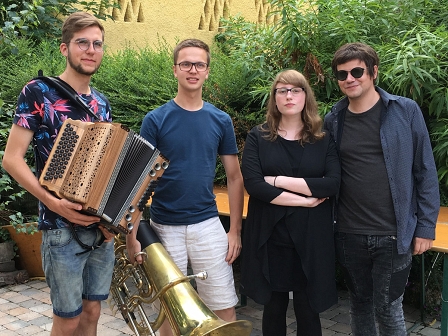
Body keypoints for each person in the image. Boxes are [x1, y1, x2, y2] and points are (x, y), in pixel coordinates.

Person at [2, 12, 116, 336]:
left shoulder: (102, 104)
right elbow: (12, 160)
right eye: (82, 43)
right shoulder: (38, 92)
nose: (91, 49)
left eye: (97, 44)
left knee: (93, 312)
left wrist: (112, 220)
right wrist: (52, 203)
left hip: (99, 229)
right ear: (65, 48)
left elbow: (105, 168)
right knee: (68, 320)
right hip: (60, 229)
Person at [126, 38, 244, 336]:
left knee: (224, 307)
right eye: (186, 64)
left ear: (207, 71)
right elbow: (141, 181)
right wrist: (132, 236)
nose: (193, 69)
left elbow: (234, 177)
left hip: (207, 224)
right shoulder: (155, 119)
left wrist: (235, 231)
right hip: (164, 227)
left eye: (199, 64)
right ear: (175, 70)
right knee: (170, 311)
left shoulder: (220, 119)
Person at [323, 42, 440, 336]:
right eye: (342, 74)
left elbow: (425, 170)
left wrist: (426, 227)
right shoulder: (333, 120)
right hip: (349, 233)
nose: (350, 78)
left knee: (389, 309)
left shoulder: (405, 111)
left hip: (394, 233)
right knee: (359, 306)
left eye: (357, 71)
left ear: (374, 72)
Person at [240, 69, 341, 336]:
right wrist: (304, 201)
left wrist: (277, 180)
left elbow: (331, 184)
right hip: (271, 237)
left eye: (296, 90)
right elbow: (254, 184)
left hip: (311, 237)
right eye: (282, 90)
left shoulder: (323, 139)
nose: (289, 96)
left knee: (309, 311)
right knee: (274, 308)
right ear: (274, 98)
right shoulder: (258, 137)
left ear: (306, 97)